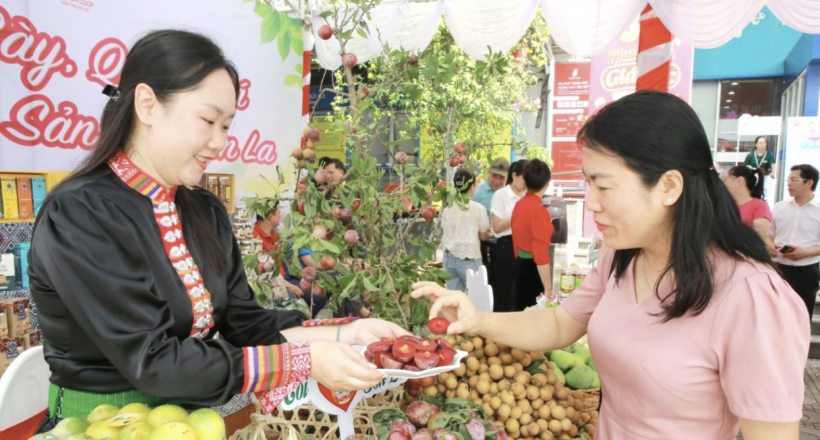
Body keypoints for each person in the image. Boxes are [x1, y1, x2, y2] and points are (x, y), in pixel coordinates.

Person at [28, 30, 407, 424]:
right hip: (98, 426)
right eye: (208, 120)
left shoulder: (204, 210)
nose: (219, 141)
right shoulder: (80, 213)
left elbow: (246, 324)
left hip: (192, 423)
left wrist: (349, 333)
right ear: (147, 105)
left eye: (226, 125)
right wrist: (302, 359)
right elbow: (155, 363)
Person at [412, 91, 809, 439]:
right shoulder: (621, 259)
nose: (591, 202)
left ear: (669, 187)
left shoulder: (752, 298)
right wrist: (478, 319)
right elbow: (560, 323)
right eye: (587, 184)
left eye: (603, 186)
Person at [766, 164, 820, 317]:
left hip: (806, 270)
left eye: (794, 180)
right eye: (788, 180)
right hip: (780, 267)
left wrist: (806, 253)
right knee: (777, 314)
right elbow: (769, 234)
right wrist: (770, 244)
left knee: (802, 314)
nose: (789, 183)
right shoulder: (780, 207)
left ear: (809, 183)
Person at [510, 160, 553, 310]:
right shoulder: (539, 211)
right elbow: (540, 252)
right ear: (547, 182)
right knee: (533, 318)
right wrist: (548, 287)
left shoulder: (519, 204)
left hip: (518, 265)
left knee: (519, 311)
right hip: (533, 270)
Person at [441, 169, 492, 291]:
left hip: (448, 258)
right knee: (476, 299)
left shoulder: (447, 208)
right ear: (472, 186)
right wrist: (490, 233)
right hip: (469, 258)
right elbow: (483, 235)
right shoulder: (478, 208)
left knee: (453, 300)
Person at [489, 159, 528, 311]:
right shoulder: (501, 195)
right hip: (506, 247)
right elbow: (497, 227)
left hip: (525, 248)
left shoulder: (527, 196)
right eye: (525, 178)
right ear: (514, 175)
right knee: (504, 293)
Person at [471, 158, 509, 299]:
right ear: (488, 173)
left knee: (501, 282)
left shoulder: (509, 193)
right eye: (494, 176)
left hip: (503, 245)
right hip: (483, 245)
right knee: (484, 281)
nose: (497, 181)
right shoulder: (477, 193)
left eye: (501, 177)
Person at [723, 166, 772, 240]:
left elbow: (760, 239)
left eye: (726, 178)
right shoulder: (725, 205)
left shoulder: (759, 206)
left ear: (739, 181)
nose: (724, 183)